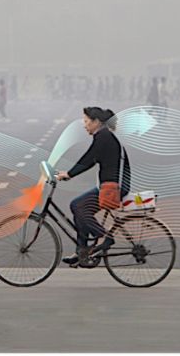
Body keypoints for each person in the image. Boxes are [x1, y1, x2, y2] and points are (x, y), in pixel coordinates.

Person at [56, 107, 131, 268]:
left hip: (114, 187)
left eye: (86, 121)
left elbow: (89, 158)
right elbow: (91, 158)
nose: (84, 125)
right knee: (78, 206)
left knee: (77, 205)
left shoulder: (103, 136)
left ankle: (104, 237)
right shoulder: (103, 136)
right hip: (110, 185)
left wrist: (69, 174)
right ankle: (82, 251)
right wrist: (69, 173)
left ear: (96, 122)